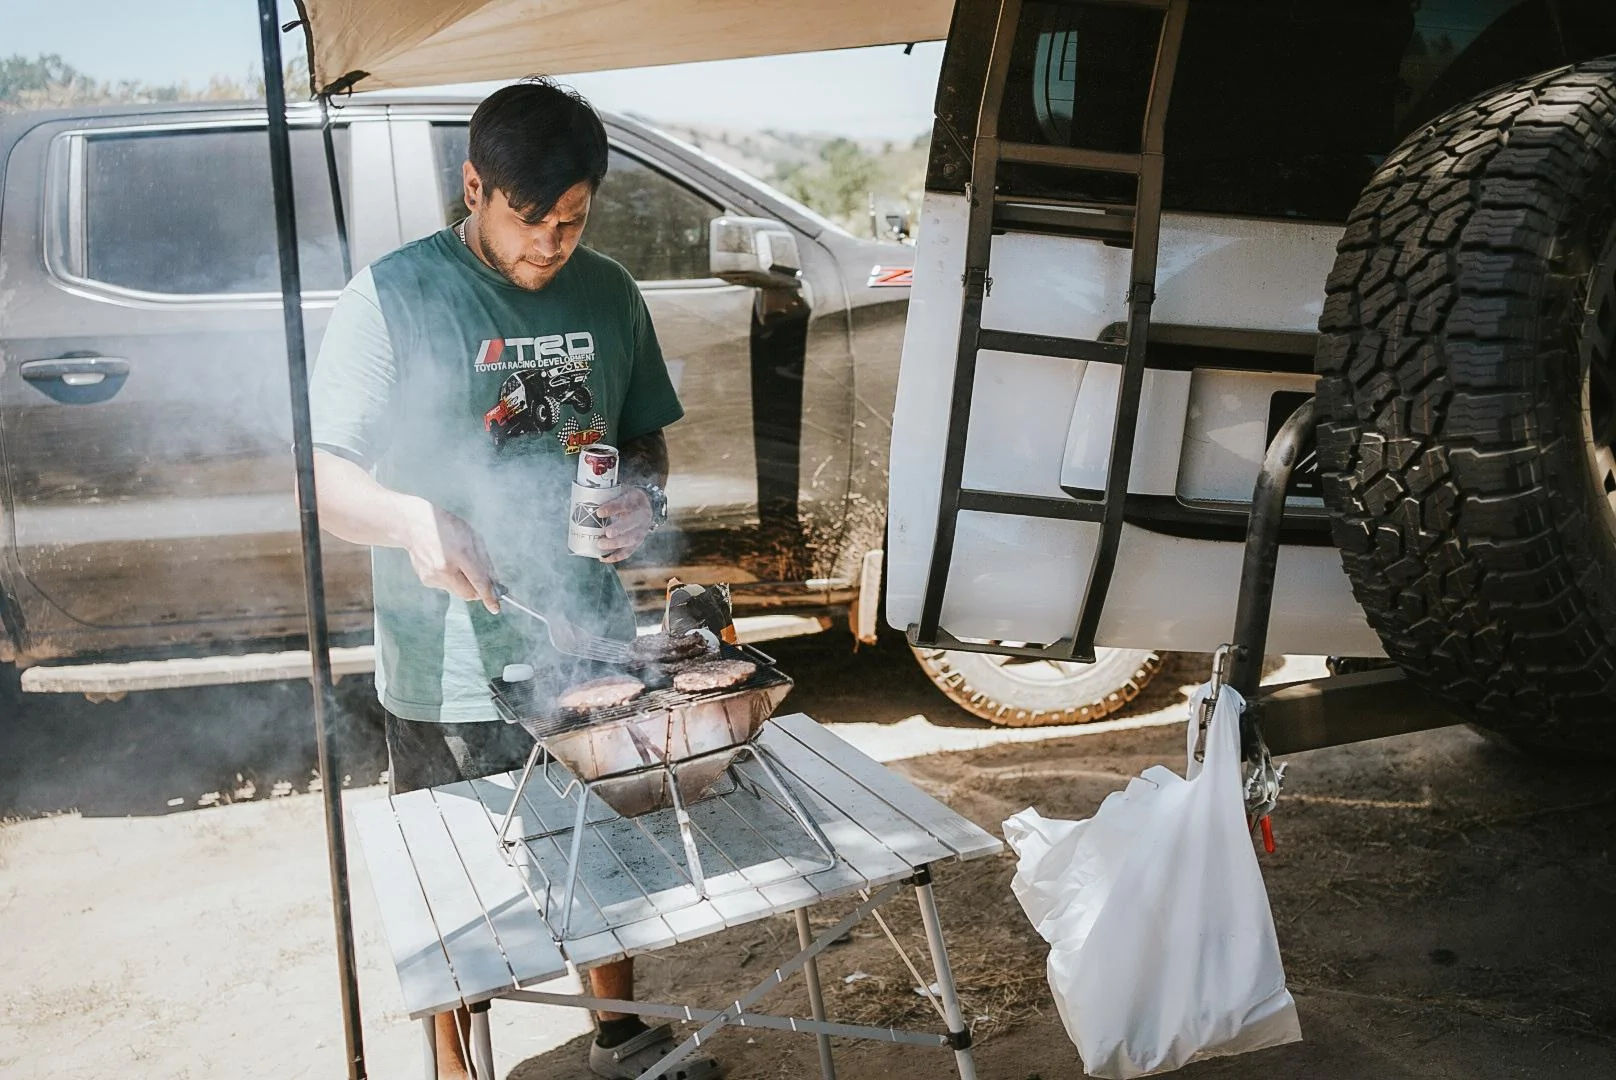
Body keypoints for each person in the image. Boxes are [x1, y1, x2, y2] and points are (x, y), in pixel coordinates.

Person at [309, 78, 720, 1080]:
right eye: (527, 220)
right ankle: (459, 1072)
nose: (548, 244)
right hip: (449, 660)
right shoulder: (395, 294)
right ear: (473, 189)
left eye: (569, 221)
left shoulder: (610, 293)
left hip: (586, 636)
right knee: (460, 895)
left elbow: (643, 444)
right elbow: (318, 479)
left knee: (613, 853)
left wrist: (641, 500)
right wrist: (412, 517)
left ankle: (620, 1036)